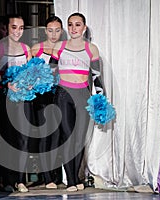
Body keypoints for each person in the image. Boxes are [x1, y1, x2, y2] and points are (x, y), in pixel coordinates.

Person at [49, 12, 104, 192]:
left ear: (84, 28)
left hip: (83, 97)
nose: (74, 28)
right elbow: (49, 71)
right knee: (67, 138)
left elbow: (96, 78)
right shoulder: (59, 46)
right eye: (71, 25)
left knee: (79, 139)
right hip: (63, 96)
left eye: (78, 24)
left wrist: (100, 100)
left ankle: (76, 177)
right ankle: (71, 181)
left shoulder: (92, 49)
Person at [0, 14, 32, 193]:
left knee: (23, 138)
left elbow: (32, 72)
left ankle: (21, 180)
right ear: (7, 28)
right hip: (5, 98)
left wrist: (31, 82)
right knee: (7, 138)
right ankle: (8, 180)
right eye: (14, 27)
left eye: (21, 28)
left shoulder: (26, 48)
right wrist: (6, 84)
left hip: (23, 99)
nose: (18, 31)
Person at [30, 16, 64, 189]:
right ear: (45, 30)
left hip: (59, 95)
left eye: (57, 30)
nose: (53, 34)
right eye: (50, 30)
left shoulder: (64, 48)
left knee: (57, 136)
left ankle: (55, 174)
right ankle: (47, 177)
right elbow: (28, 73)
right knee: (45, 135)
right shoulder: (36, 49)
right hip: (41, 97)